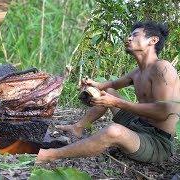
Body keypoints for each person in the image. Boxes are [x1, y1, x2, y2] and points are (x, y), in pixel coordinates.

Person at [37, 21, 180, 163]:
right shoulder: (137, 72)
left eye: (135, 35)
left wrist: (116, 102)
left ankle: (49, 155)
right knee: (107, 90)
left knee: (113, 131)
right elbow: (109, 85)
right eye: (129, 35)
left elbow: (164, 113)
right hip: (137, 124)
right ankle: (77, 128)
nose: (129, 38)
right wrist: (92, 85)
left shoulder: (162, 68)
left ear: (153, 40)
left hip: (156, 141)